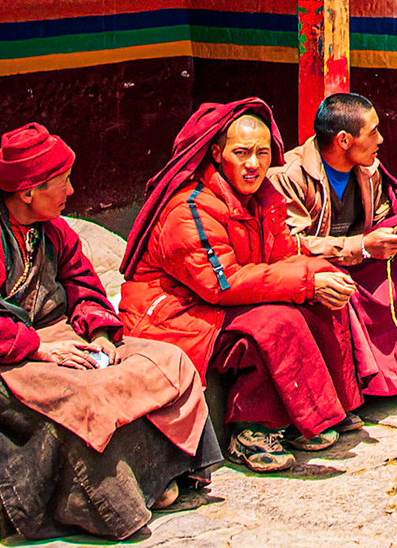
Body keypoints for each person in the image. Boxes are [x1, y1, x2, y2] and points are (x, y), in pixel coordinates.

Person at [0, 124, 218, 541]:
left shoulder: (54, 229)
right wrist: (36, 347)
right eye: (62, 181)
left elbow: (84, 286)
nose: (71, 190)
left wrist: (99, 333)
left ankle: (167, 477)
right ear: (28, 191)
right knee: (87, 395)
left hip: (63, 337)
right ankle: (118, 505)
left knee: (167, 359)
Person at [120, 99, 365, 473]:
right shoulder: (190, 209)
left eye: (262, 153)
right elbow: (222, 283)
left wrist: (319, 275)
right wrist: (305, 282)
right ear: (217, 154)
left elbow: (282, 254)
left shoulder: (263, 197)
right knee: (276, 322)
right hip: (175, 314)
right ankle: (250, 432)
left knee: (323, 288)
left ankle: (319, 412)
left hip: (221, 302)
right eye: (242, 153)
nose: (254, 164)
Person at [271, 92, 397, 397]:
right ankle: (360, 387)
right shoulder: (291, 176)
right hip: (320, 267)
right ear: (344, 140)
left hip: (357, 259)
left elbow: (384, 214)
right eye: (373, 132)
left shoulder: (369, 169)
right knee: (332, 281)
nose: (380, 140)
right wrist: (361, 246)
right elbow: (290, 244)